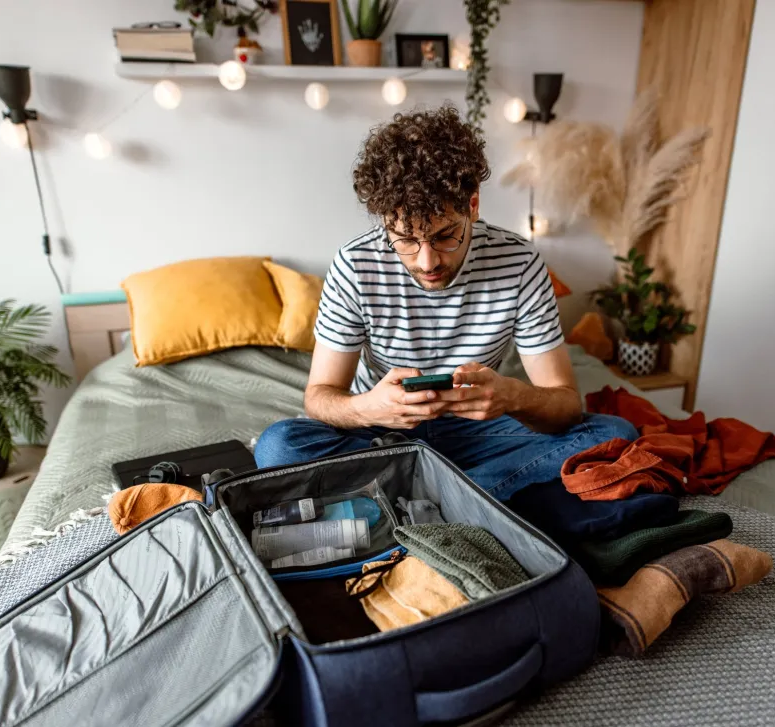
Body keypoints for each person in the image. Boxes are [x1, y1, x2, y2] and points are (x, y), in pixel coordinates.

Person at [255, 105, 638, 501]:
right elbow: (320, 396)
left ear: (472, 206)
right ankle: (470, 494)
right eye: (404, 239)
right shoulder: (355, 264)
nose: (427, 262)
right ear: (385, 220)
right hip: (382, 434)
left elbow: (566, 405)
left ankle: (414, 495)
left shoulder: (520, 262)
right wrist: (371, 408)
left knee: (615, 435)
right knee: (278, 446)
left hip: (479, 429)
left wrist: (512, 395)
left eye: (444, 235)